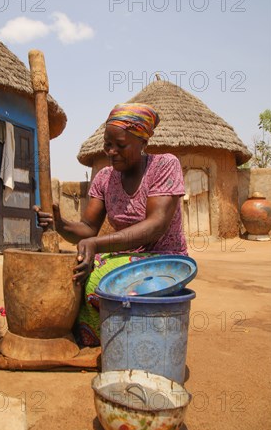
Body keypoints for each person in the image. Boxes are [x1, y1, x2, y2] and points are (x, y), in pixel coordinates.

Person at [35, 103, 188, 347]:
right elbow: (87, 228)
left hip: (165, 259)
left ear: (143, 142)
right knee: (71, 269)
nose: (112, 151)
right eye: (108, 144)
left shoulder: (164, 166)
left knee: (98, 278)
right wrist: (60, 223)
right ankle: (84, 337)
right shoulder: (105, 178)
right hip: (124, 257)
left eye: (121, 145)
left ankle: (110, 345)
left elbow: (156, 225)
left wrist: (95, 245)